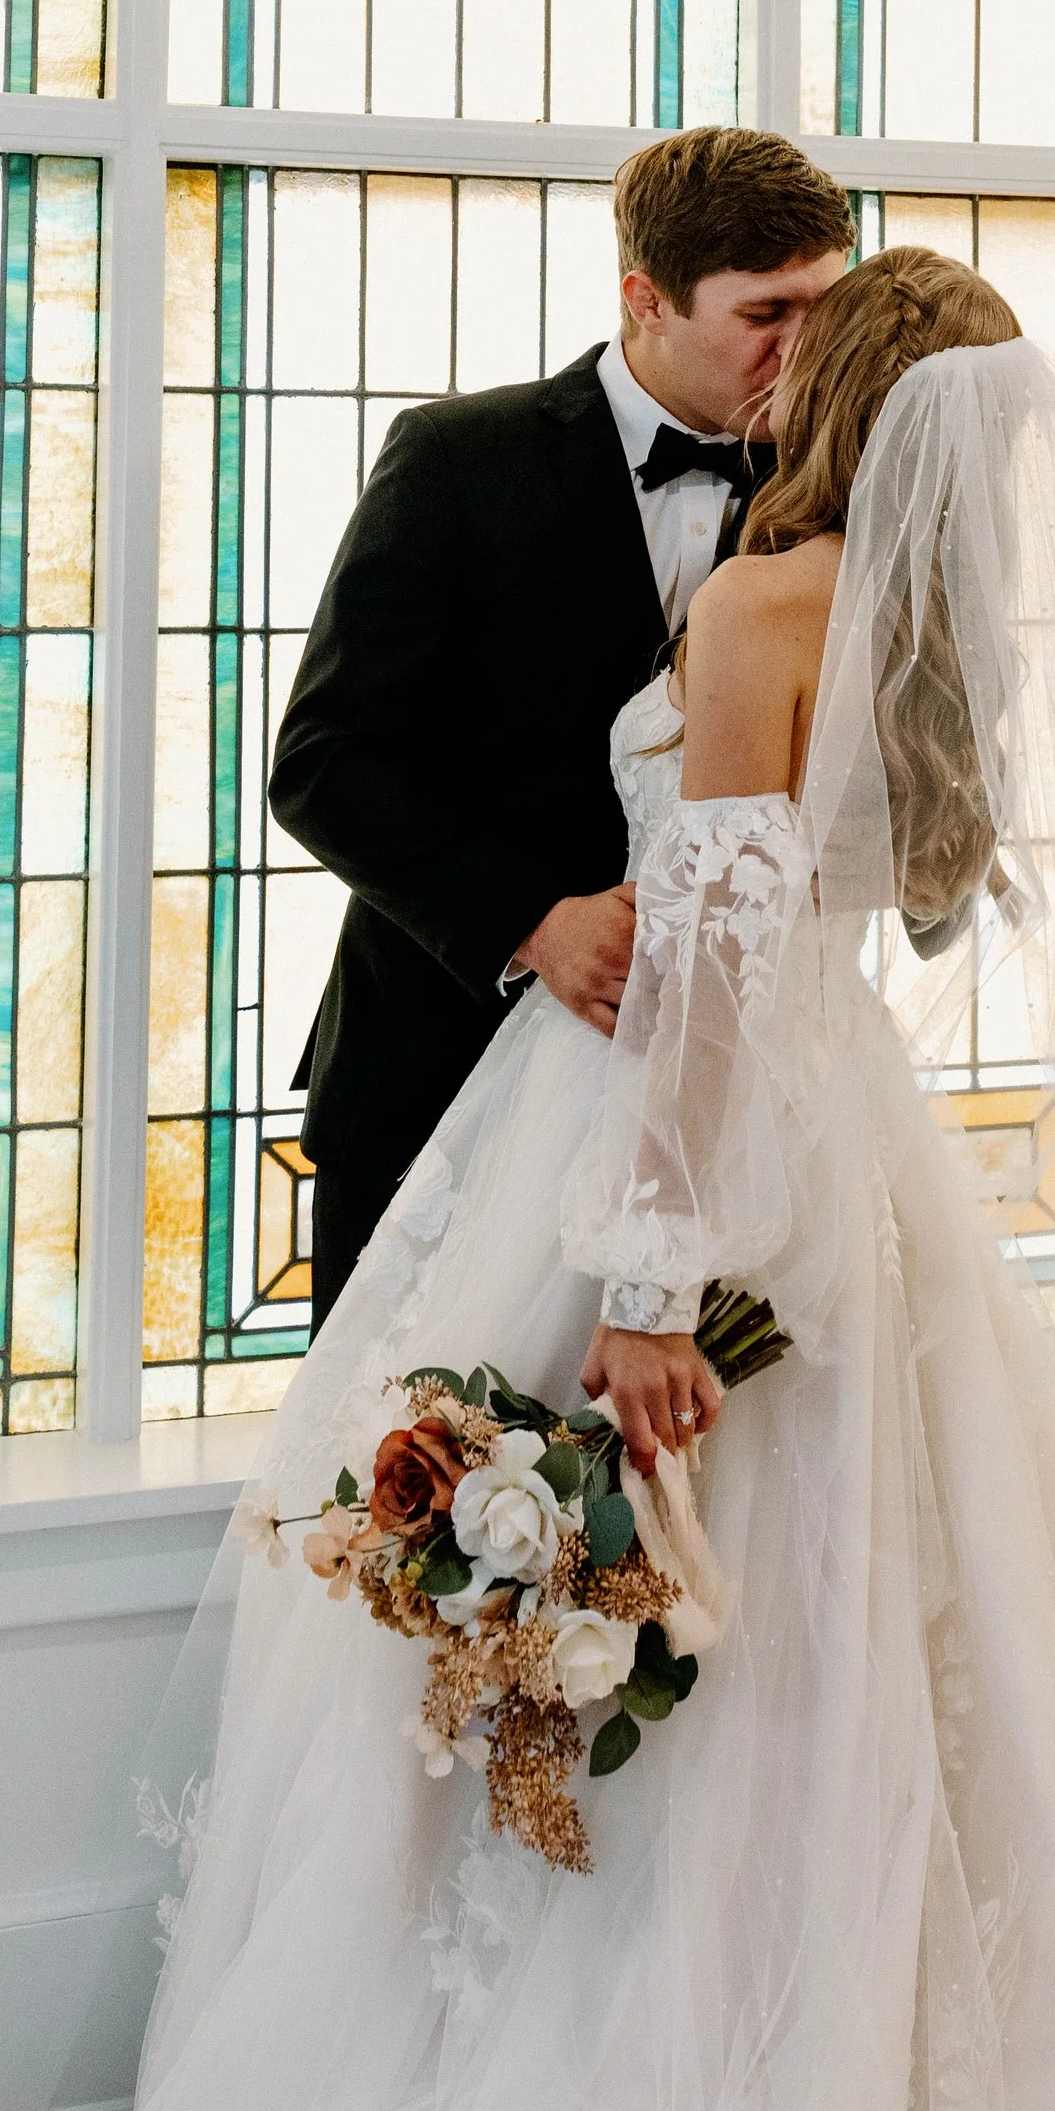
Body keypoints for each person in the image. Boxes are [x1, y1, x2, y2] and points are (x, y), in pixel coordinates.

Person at [0, 248, 1055, 2111]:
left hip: (683, 1144)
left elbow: (712, 976)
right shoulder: (930, 632)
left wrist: (647, 1285)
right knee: (872, 1614)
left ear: (845, 394)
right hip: (856, 1161)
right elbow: (912, 907)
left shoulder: (757, 606)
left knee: (703, 1598)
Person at [269, 127, 854, 1326]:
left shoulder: (840, 498)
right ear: (645, 300)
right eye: (766, 312)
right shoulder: (455, 462)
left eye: (824, 308)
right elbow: (324, 763)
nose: (804, 349)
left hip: (715, 1131)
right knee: (413, 1489)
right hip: (440, 1082)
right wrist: (533, 922)